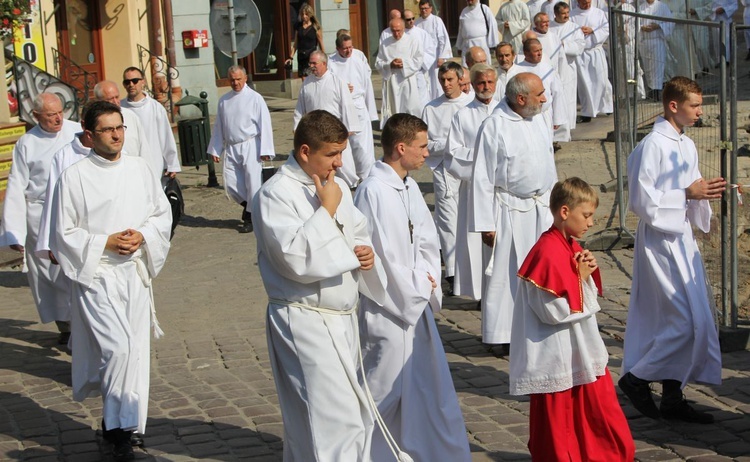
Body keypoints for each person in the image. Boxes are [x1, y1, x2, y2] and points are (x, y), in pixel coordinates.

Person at [252, 110, 386, 461]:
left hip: (342, 318)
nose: (339, 164)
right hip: (305, 318)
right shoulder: (274, 195)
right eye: (331, 154)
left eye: (342, 153)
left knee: (353, 416)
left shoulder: (337, 186)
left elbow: (357, 230)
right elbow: (293, 259)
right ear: (305, 151)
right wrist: (325, 212)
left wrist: (364, 253)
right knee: (330, 420)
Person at [49, 101, 171, 462]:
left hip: (133, 273)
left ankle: (124, 426)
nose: (117, 135)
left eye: (120, 127)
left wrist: (143, 236)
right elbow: (62, 233)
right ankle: (118, 427)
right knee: (116, 349)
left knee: (134, 352)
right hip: (96, 275)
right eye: (107, 129)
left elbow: (160, 214)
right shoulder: (74, 176)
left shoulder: (140, 169)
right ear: (88, 135)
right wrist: (104, 240)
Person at [354, 113, 471, 462]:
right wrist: (419, 285)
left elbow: (426, 239)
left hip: (414, 302)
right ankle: (360, 452)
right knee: (381, 390)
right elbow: (383, 256)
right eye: (421, 146)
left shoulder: (406, 185)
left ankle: (428, 451)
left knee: (426, 386)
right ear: (400, 147)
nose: (427, 152)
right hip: (387, 308)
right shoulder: (373, 191)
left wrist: (427, 279)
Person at [620, 77, 725, 423]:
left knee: (692, 316)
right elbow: (641, 200)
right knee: (682, 320)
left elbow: (692, 186)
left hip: (681, 237)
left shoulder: (687, 144)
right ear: (673, 106)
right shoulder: (651, 146)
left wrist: (703, 197)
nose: (700, 111)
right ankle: (636, 379)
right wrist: (687, 196)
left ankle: (672, 395)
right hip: (659, 241)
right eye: (695, 105)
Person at [510, 177, 635, 462]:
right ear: (565, 212)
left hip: (580, 351)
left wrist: (584, 275)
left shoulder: (569, 245)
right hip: (555, 355)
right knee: (559, 429)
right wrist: (580, 279)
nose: (591, 223)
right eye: (587, 215)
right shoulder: (546, 252)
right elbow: (551, 312)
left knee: (602, 418)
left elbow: (582, 294)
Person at [471, 73, 556, 350]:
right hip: (507, 209)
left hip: (540, 207)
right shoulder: (494, 126)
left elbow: (548, 162)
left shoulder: (539, 119)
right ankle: (502, 334)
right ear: (521, 99)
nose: (545, 98)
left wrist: (556, 206)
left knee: (540, 269)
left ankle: (539, 323)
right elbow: (482, 176)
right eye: (539, 94)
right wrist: (486, 223)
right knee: (506, 273)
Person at [0, 93, 80, 344]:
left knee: (75, 269)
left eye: (60, 112)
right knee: (49, 273)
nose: (58, 119)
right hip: (40, 213)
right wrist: (13, 231)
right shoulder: (27, 143)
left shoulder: (77, 131)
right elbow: (17, 185)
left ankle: (81, 325)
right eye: (50, 115)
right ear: (36, 116)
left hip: (74, 210)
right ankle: (66, 325)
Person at [445, 64, 499, 301]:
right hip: (474, 188)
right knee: (476, 242)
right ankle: (480, 292)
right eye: (481, 83)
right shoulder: (463, 115)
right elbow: (453, 154)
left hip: (500, 189)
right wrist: (482, 156)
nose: (485, 87)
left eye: (489, 82)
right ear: (472, 84)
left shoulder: (504, 112)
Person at [422, 62, 473, 296]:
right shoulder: (431, 108)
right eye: (443, 80)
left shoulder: (469, 106)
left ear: (460, 79)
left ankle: (472, 268)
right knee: (447, 221)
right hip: (444, 169)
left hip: (469, 170)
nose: (446, 84)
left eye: (450, 79)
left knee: (470, 219)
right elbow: (426, 144)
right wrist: (449, 145)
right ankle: (452, 271)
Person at [208, 66, 275, 234]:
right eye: (232, 80)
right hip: (231, 146)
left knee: (252, 182)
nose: (235, 83)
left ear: (245, 78)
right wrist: (215, 149)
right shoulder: (224, 100)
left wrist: (266, 149)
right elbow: (219, 126)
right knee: (231, 184)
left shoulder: (255, 98)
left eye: (238, 79)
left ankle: (249, 218)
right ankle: (253, 207)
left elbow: (265, 123)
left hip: (251, 144)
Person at [294, 50, 362, 188]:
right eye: (310, 63)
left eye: (314, 63)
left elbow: (347, 105)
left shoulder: (337, 81)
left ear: (324, 63)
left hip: (335, 130)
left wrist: (349, 128)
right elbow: (300, 108)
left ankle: (351, 185)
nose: (311, 66)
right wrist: (297, 127)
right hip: (314, 131)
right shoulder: (307, 83)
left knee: (343, 163)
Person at [329, 34, 378, 180]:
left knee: (362, 145)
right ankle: (347, 177)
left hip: (358, 105)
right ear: (338, 48)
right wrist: (341, 88)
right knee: (343, 144)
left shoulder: (358, 59)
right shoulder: (331, 62)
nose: (349, 51)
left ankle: (366, 174)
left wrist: (371, 111)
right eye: (345, 48)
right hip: (340, 107)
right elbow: (328, 83)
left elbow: (367, 85)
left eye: (350, 47)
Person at [120, 67, 181, 183]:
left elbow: (165, 136)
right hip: (128, 163)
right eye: (127, 82)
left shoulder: (155, 107)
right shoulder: (120, 108)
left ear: (143, 81)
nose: (131, 84)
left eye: (135, 81)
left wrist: (172, 163)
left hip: (153, 161)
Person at [516, 38, 568, 143]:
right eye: (536, 51)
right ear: (526, 53)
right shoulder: (517, 70)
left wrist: (557, 118)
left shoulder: (548, 69)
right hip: (525, 116)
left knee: (546, 143)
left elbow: (557, 93)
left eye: (541, 50)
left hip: (545, 114)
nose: (540, 53)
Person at [570, 0, 613, 123]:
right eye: (584, 2)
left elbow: (606, 28)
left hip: (596, 51)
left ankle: (607, 106)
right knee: (585, 84)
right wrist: (579, 32)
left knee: (601, 80)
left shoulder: (598, 13)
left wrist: (593, 30)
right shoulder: (572, 15)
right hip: (581, 54)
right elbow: (568, 31)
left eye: (589, 2)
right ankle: (587, 112)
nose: (587, 4)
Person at [376, 18, 425, 125]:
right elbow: (378, 62)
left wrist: (404, 64)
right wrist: (390, 64)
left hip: (408, 79)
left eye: (399, 30)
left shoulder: (413, 40)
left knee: (410, 106)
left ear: (404, 28)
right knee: (395, 108)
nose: (396, 33)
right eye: (393, 31)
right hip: (392, 80)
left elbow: (419, 59)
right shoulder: (385, 43)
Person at [550, 2, 586, 132]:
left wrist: (564, 45)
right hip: (553, 68)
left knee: (568, 97)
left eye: (567, 13)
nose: (566, 16)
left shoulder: (574, 28)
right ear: (555, 14)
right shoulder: (549, 27)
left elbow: (580, 45)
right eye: (562, 13)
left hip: (568, 67)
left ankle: (568, 126)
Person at [93, 80, 149, 160]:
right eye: (110, 99)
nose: (115, 102)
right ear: (99, 100)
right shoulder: (93, 120)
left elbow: (144, 148)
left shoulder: (131, 116)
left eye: (117, 97)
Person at [415, 0, 454, 100]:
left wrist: (442, 57)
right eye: (422, 9)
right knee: (424, 81)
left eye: (426, 8)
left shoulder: (436, 20)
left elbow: (442, 39)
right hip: (423, 57)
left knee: (436, 81)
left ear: (431, 8)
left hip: (436, 57)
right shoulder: (417, 23)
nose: (424, 11)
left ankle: (439, 99)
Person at [638, 0, 673, 101]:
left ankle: (656, 92)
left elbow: (670, 22)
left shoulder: (662, 6)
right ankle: (650, 90)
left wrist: (658, 26)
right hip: (645, 41)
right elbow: (636, 23)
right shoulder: (641, 8)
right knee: (648, 67)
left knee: (657, 66)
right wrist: (642, 27)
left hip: (657, 40)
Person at [403, 8, 437, 107]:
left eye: (413, 18)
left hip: (418, 72)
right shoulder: (400, 34)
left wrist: (419, 62)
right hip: (404, 74)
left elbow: (430, 51)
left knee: (421, 100)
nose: (411, 21)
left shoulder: (421, 33)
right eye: (408, 19)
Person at [456, 0, 500, 67]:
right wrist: (459, 46)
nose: (470, 2)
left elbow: (492, 25)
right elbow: (461, 29)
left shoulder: (484, 9)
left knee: (483, 66)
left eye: (471, 0)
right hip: (467, 44)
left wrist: (493, 44)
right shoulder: (464, 11)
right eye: (468, 0)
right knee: (466, 66)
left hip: (481, 43)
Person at [285, 3, 324, 78]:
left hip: (311, 56)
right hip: (301, 56)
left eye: (306, 14)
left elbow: (321, 43)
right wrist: (290, 57)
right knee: (304, 78)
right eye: (302, 14)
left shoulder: (315, 27)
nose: (304, 16)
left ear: (310, 15)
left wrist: (323, 57)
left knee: (312, 77)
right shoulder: (298, 27)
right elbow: (295, 44)